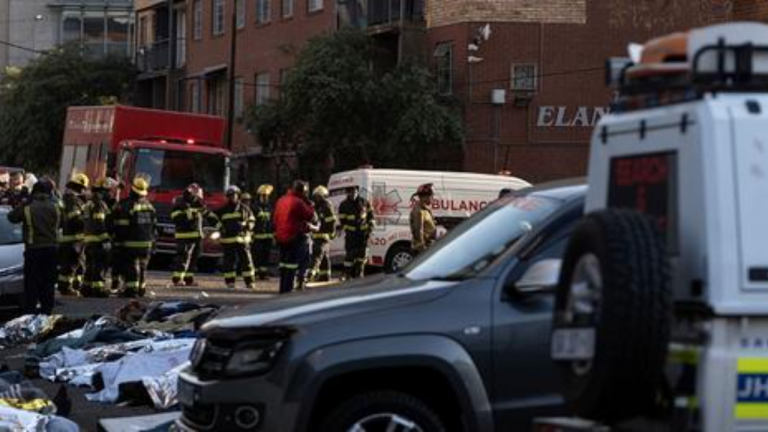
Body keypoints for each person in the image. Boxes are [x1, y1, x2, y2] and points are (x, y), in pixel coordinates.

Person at [8, 179, 60, 314]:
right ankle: (46, 313)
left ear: (34, 192)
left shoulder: (28, 208)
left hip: (33, 251)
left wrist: (26, 202)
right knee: (48, 284)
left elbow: (11, 217)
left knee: (32, 284)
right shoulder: (56, 207)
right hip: (52, 251)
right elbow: (64, 223)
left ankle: (30, 313)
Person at [112, 176, 156, 298]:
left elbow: (122, 226)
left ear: (132, 189)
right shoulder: (149, 206)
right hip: (147, 244)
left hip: (131, 243)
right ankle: (141, 289)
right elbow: (154, 226)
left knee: (130, 267)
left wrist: (118, 241)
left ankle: (131, 290)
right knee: (142, 267)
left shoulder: (128, 205)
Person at [171, 183, 217, 287]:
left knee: (194, 258)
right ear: (192, 195)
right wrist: (191, 214)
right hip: (184, 236)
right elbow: (175, 217)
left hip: (196, 236)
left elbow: (209, 215)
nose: (198, 199)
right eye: (197, 197)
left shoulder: (198, 204)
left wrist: (220, 226)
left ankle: (188, 279)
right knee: (183, 258)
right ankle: (178, 279)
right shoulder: (180, 203)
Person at [273, 180, 316, 294]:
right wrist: (310, 205)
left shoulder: (281, 200)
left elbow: (275, 219)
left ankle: (282, 288)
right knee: (292, 264)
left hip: (281, 237)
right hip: (293, 237)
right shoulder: (298, 202)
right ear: (302, 191)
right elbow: (309, 215)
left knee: (283, 264)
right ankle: (288, 289)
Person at [215, 186, 256, 289]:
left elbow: (252, 220)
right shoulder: (222, 210)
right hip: (228, 240)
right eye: (229, 196)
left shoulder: (245, 208)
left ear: (238, 195)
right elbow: (212, 218)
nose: (232, 197)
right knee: (229, 262)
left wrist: (247, 226)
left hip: (242, 239)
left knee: (246, 261)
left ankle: (249, 282)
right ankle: (230, 283)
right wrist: (221, 228)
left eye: (234, 195)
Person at [80, 178, 114, 298]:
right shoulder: (99, 203)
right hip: (98, 240)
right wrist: (105, 239)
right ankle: (98, 290)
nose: (110, 193)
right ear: (102, 190)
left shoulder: (90, 203)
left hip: (89, 239)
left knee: (90, 265)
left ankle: (86, 288)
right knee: (99, 266)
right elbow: (99, 222)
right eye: (108, 190)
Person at [57, 173, 88, 296]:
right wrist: (88, 222)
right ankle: (66, 288)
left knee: (78, 265)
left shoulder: (69, 199)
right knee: (70, 265)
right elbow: (75, 220)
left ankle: (74, 286)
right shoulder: (72, 201)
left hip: (73, 239)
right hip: (73, 240)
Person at [338, 185, 375, 280]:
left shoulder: (364, 202)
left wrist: (370, 226)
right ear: (348, 193)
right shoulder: (343, 205)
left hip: (363, 235)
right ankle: (347, 275)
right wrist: (351, 229)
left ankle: (359, 276)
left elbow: (371, 216)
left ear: (357, 191)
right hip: (351, 236)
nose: (354, 194)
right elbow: (342, 222)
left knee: (362, 258)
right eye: (351, 192)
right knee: (349, 257)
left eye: (355, 191)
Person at [308, 186, 337, 283]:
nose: (316, 198)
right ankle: (325, 276)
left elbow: (332, 221)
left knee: (316, 256)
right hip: (318, 235)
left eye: (318, 196)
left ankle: (310, 275)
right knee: (324, 256)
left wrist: (332, 233)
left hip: (323, 235)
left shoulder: (326, 205)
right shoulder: (317, 206)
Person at [251, 184, 275, 280]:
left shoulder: (270, 207)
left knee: (265, 256)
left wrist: (274, 235)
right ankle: (255, 273)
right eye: (263, 196)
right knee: (257, 256)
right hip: (257, 236)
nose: (265, 198)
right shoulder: (254, 207)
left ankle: (263, 274)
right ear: (259, 196)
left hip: (268, 237)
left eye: (267, 196)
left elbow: (272, 222)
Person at [410, 183, 437, 255]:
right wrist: (423, 253)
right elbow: (418, 233)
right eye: (431, 196)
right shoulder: (419, 211)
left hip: (429, 247)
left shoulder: (426, 209)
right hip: (423, 251)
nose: (433, 198)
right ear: (424, 197)